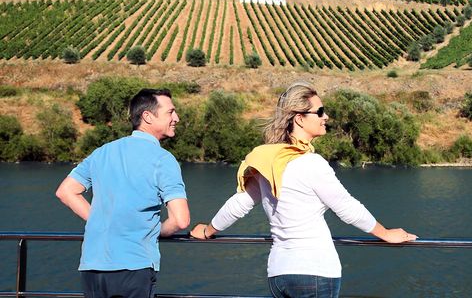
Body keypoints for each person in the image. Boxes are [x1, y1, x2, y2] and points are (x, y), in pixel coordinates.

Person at [190, 81, 417, 298]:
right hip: (314, 273)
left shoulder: (268, 160)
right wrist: (386, 234)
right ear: (299, 119)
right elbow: (347, 208)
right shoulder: (312, 163)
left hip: (279, 275)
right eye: (319, 112)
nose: (326, 117)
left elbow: (240, 203)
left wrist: (208, 230)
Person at [56, 88, 190, 298]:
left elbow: (66, 192)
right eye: (170, 112)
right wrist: (159, 231)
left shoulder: (102, 152)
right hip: (133, 266)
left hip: (92, 266)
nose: (177, 118)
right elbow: (181, 220)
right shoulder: (163, 159)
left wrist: (102, 221)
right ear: (147, 116)